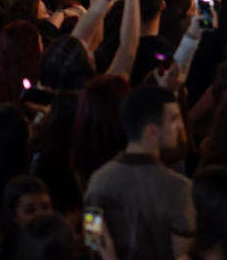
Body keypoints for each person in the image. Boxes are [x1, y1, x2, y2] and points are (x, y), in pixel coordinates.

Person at [83, 84, 194, 260]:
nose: (181, 126)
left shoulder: (97, 180)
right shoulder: (179, 190)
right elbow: (182, 253)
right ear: (152, 132)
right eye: (174, 119)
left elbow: (93, 243)